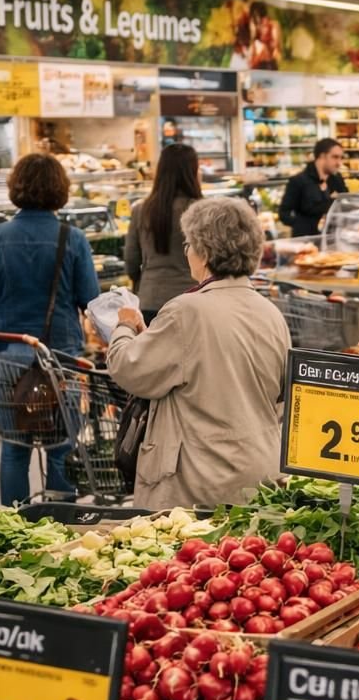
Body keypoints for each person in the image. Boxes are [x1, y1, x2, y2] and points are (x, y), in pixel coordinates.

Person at [107, 199, 291, 509]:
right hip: (260, 472)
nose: (187, 251)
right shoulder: (270, 312)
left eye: (189, 243)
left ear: (205, 252)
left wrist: (124, 328)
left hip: (200, 481)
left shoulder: (186, 311)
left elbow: (129, 369)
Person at [0, 154, 100, 506]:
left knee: (13, 447)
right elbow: (90, 300)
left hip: (6, 357)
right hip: (59, 357)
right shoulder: (72, 239)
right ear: (61, 189)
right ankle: (61, 525)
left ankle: (13, 524)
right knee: (61, 445)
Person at [126, 143, 202, 325]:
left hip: (151, 298)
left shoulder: (141, 210)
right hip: (195, 298)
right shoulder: (201, 210)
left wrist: (142, 282)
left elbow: (131, 260)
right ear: (192, 171)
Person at [279, 138, 348, 238]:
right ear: (322, 156)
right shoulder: (298, 181)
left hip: (334, 238)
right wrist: (304, 225)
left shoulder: (337, 179)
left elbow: (345, 203)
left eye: (341, 158)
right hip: (306, 241)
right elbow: (284, 214)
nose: (339, 163)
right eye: (335, 157)